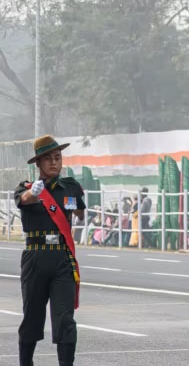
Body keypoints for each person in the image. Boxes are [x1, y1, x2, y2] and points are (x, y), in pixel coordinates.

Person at [14, 135, 84, 366]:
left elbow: (79, 213)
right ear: (38, 164)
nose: (54, 163)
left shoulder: (70, 187)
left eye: (58, 157)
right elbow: (23, 200)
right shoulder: (26, 189)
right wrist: (33, 193)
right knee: (33, 317)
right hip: (35, 257)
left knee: (65, 319)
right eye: (48, 159)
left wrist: (76, 205)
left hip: (62, 258)